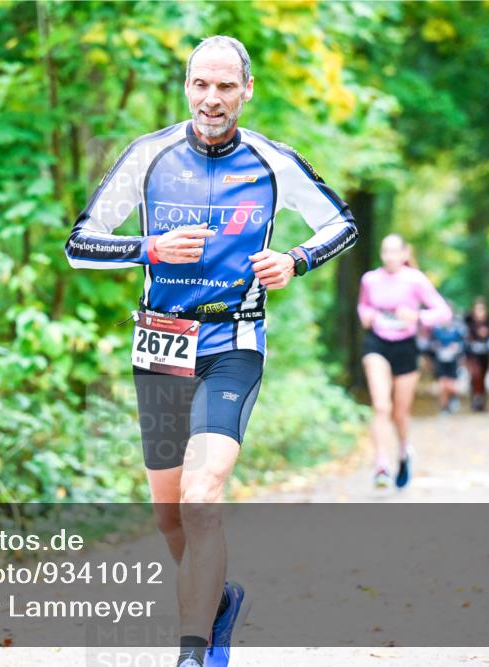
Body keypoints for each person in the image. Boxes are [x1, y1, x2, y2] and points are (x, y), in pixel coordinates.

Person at [65, 35, 358, 667]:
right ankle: (218, 598)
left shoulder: (272, 161)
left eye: (226, 86)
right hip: (162, 343)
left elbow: (342, 223)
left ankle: (192, 651)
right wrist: (149, 247)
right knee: (170, 515)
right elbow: (79, 243)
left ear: (246, 90)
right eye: (201, 84)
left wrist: (297, 257)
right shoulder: (149, 155)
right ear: (187, 87)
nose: (212, 98)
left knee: (203, 496)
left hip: (234, 341)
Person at [357, 234, 450, 489]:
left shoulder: (415, 280)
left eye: (394, 251)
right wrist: (367, 316)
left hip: (406, 347)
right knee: (381, 407)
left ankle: (403, 453)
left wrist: (417, 316)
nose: (389, 256)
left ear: (404, 253)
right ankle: (381, 465)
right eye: (385, 251)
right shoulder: (370, 279)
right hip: (376, 343)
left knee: (400, 414)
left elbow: (443, 312)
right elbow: (363, 306)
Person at [430, 306, 467, 414]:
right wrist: (436, 347)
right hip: (440, 360)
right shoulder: (436, 330)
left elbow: (464, 345)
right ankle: (444, 407)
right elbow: (430, 345)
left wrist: (456, 347)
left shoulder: (457, 330)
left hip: (453, 361)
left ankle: (453, 398)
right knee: (442, 384)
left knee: (451, 385)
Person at [465, 297, 489, 412]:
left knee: (482, 378)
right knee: (475, 375)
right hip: (472, 356)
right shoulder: (468, 323)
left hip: (485, 355)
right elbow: (463, 339)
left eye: (482, 309)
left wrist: (488, 339)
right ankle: (475, 398)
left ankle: (481, 400)